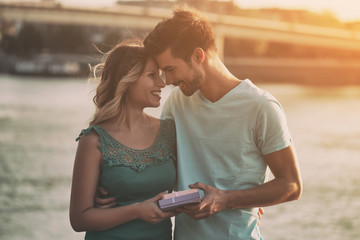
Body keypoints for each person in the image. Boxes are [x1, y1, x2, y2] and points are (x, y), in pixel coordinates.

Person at [141, 7, 303, 240]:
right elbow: (159, 165)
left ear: (198, 56)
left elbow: (292, 185)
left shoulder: (261, 106)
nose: (168, 81)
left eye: (170, 69)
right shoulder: (177, 102)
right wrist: (115, 184)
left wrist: (226, 200)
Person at [69, 40, 178, 240]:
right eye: (152, 75)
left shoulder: (170, 132)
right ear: (127, 80)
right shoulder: (93, 140)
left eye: (160, 75)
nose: (162, 83)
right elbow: (79, 219)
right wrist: (136, 210)